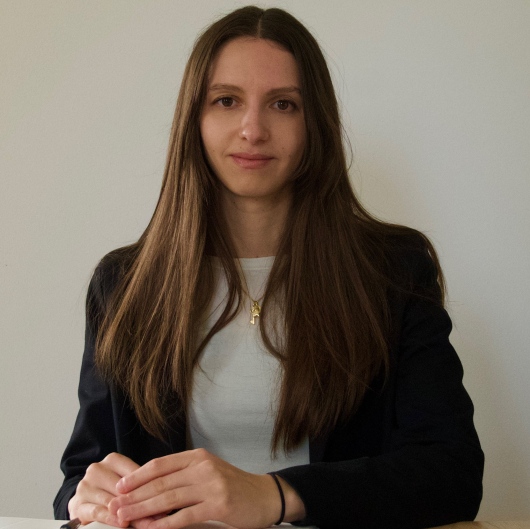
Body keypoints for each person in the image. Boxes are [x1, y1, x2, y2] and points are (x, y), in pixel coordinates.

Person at [54, 5, 484, 529]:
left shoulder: (393, 271)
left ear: (314, 123)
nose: (252, 129)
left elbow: (453, 472)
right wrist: (85, 497)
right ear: (194, 119)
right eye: (226, 100)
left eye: (283, 104)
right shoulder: (124, 284)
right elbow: (78, 476)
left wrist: (276, 495)